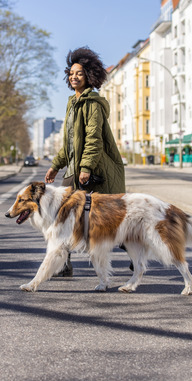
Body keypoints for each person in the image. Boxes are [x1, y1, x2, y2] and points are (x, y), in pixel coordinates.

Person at [45, 47, 126, 277]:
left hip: (90, 169)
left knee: (105, 217)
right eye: (71, 73)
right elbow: (69, 142)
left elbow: (93, 138)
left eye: (79, 73)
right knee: (64, 215)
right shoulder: (73, 103)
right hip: (73, 169)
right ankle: (64, 263)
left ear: (89, 76)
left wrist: (86, 167)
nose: (74, 76)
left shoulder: (93, 103)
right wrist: (55, 165)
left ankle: (133, 250)